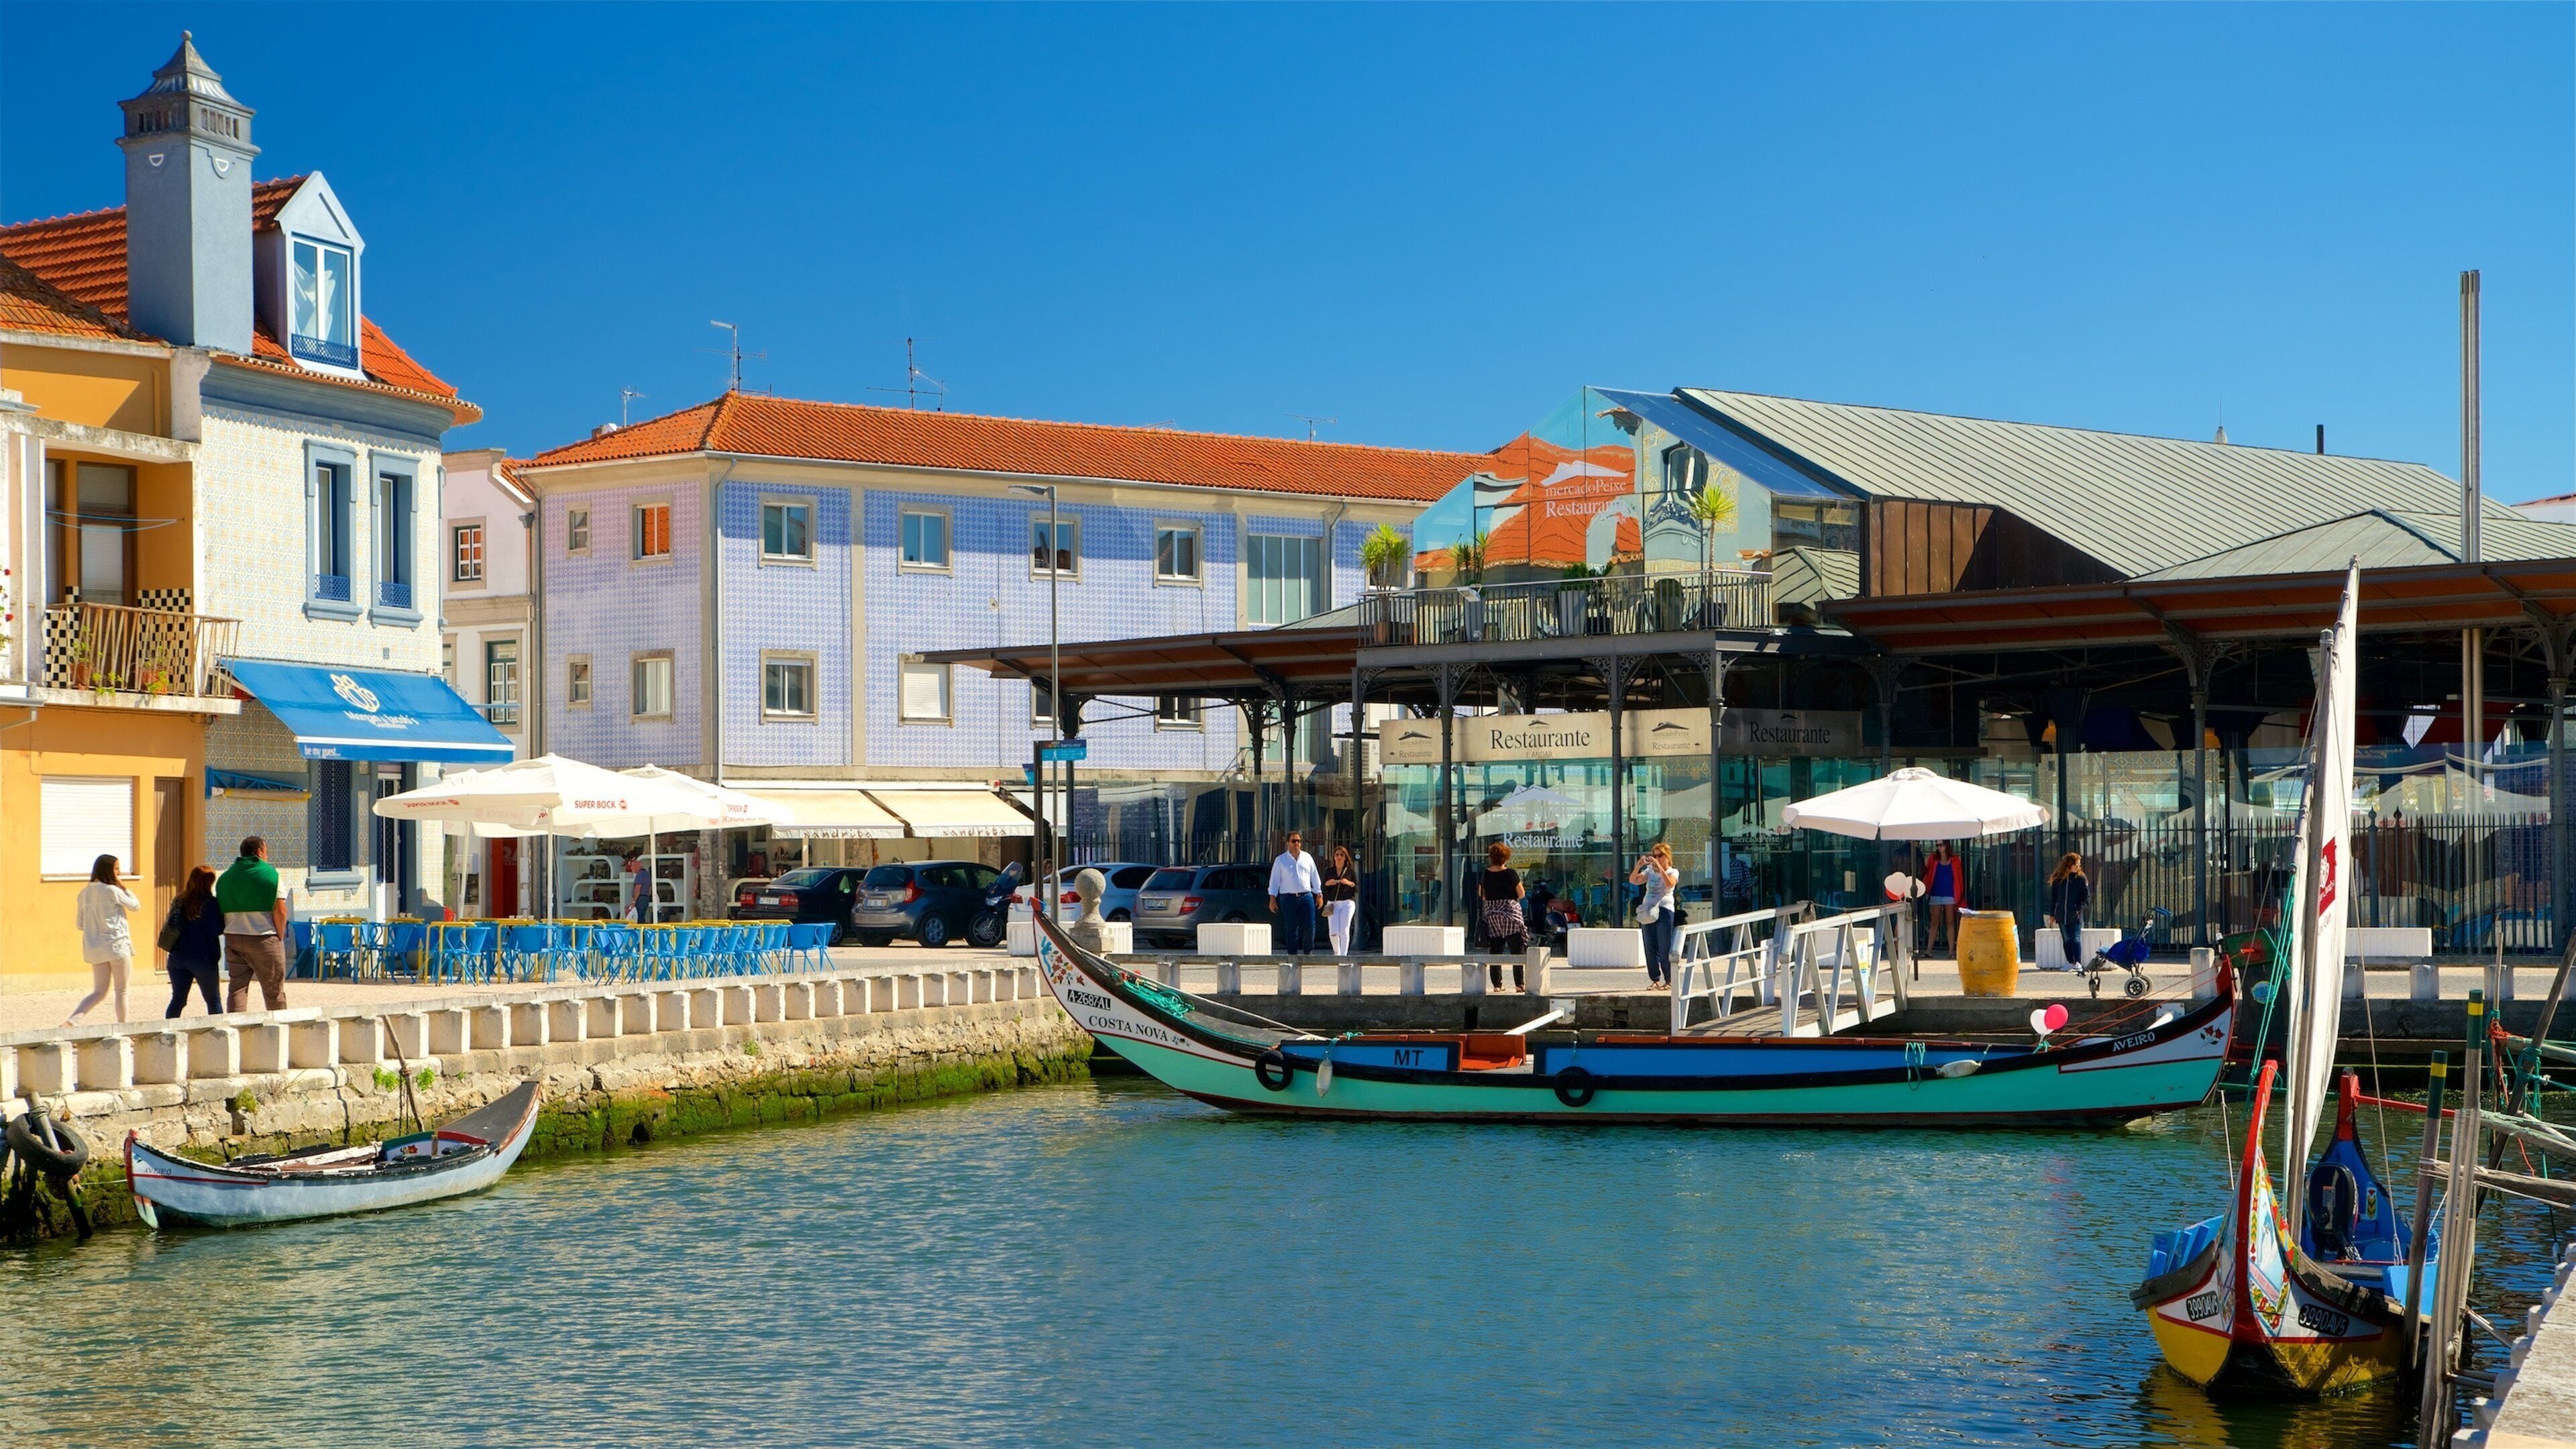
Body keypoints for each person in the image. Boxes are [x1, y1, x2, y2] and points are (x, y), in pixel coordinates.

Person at [217, 835, 290, 1013]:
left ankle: (236, 1025)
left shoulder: (225, 878)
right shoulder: (270, 875)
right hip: (264, 938)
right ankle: (278, 1025)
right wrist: (279, 936)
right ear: (259, 852)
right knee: (274, 990)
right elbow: (280, 910)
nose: (267, 856)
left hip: (234, 937)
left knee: (237, 988)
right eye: (266, 852)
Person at [66, 854, 140, 1026]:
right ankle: (123, 1028)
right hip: (117, 946)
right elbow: (135, 906)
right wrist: (123, 887)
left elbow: (80, 924)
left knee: (98, 992)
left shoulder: (84, 893)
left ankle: (71, 1022)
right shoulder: (112, 891)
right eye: (116, 869)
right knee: (122, 991)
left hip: (95, 949)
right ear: (108, 870)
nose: (119, 872)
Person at [162, 865, 225, 1017]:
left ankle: (169, 1029)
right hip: (203, 958)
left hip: (177, 957)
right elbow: (217, 929)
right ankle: (217, 1030)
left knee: (178, 1000)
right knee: (213, 1000)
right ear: (210, 882)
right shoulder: (211, 903)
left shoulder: (179, 900)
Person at [1630, 841, 1680, 988]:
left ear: (1667, 856)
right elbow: (1634, 880)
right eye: (1654, 856)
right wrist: (1639, 866)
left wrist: (1660, 868)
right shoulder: (1650, 871)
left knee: (1665, 945)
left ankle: (1669, 979)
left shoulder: (1673, 871)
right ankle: (1655, 979)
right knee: (1650, 946)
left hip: (1664, 909)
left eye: (1660, 856)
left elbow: (1670, 884)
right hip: (1648, 910)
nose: (1657, 858)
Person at [1480, 842, 1528, 990]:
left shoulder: (1485, 874)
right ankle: (1519, 984)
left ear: (1491, 857)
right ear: (1506, 857)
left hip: (1493, 915)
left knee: (1495, 949)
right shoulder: (1511, 874)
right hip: (1510, 915)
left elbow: (1482, 895)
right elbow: (1521, 894)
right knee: (1517, 949)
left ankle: (1497, 985)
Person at [1266, 830, 1320, 955]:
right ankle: (1292, 954)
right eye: (1294, 841)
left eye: (1299, 841)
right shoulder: (1280, 860)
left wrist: (1319, 894)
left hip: (1306, 896)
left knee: (1310, 925)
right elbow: (1274, 881)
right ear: (1288, 843)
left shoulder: (1307, 858)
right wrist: (1272, 899)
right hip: (1288, 898)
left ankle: (1308, 952)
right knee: (1292, 927)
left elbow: (1315, 877)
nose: (1296, 844)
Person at [2045, 851, 2092, 972]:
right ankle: (2070, 962)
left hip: (2075, 915)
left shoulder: (2081, 879)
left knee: (2075, 938)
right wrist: (2052, 914)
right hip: (2062, 915)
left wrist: (2078, 908)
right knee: (2066, 939)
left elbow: (2086, 897)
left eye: (2079, 864)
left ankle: (2077, 962)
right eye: (2076, 864)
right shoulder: (2059, 880)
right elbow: (2054, 899)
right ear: (2068, 865)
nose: (2078, 867)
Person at [1924, 842, 1966, 957]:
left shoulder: (1955, 860)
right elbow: (1928, 874)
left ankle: (1951, 951)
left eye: (1941, 844)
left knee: (1950, 922)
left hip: (1950, 894)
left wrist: (1959, 893)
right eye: (1937, 845)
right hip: (1936, 893)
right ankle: (1929, 951)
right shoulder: (1933, 858)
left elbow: (1959, 877)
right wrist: (1927, 888)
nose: (1939, 847)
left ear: (1947, 845)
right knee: (1934, 922)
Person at [1322, 845, 1360, 958]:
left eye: (1342, 855)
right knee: (1333, 932)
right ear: (1334, 857)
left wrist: (1349, 883)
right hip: (1333, 903)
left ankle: (1343, 955)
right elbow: (1323, 888)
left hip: (1347, 903)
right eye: (1337, 855)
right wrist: (1328, 883)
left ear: (1345, 857)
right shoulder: (1329, 871)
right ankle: (1337, 952)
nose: (1339, 857)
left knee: (1344, 930)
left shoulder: (1350, 872)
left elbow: (1357, 888)